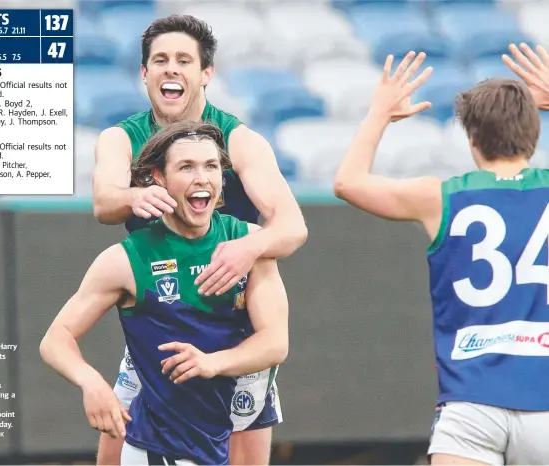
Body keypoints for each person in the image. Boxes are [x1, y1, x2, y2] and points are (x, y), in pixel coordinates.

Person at [92, 15, 307, 465]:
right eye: (160, 60)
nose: (171, 69)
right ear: (144, 73)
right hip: (164, 322)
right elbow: (104, 203)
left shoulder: (239, 139)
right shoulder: (122, 138)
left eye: (184, 60)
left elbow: (292, 228)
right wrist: (135, 194)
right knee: (115, 443)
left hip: (235, 327)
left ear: (205, 74)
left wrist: (247, 247)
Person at [333, 48, 549, 465]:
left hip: (471, 405)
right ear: (534, 132)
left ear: (471, 139)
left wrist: (379, 112)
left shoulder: (440, 196)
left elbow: (347, 182)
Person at [40, 121, 289, 466]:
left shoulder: (247, 242)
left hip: (212, 444)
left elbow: (275, 342)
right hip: (161, 451)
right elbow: (55, 339)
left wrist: (211, 363)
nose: (202, 177)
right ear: (159, 178)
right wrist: (92, 383)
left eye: (211, 166)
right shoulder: (127, 259)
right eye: (187, 167)